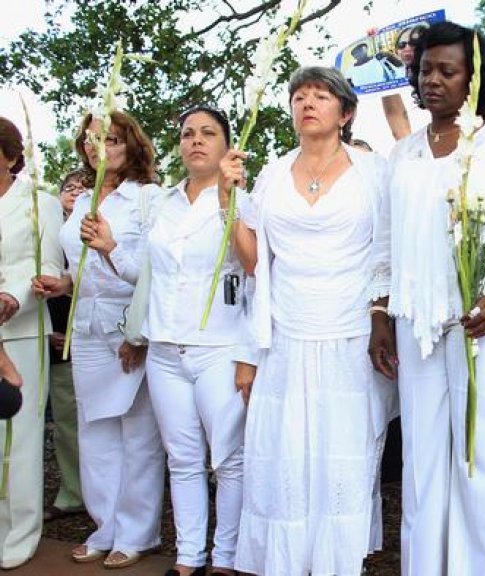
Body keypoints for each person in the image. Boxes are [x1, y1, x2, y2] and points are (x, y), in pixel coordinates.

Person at [367, 21, 485, 576]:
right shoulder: (402, 153)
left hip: (484, 319)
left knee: (480, 454)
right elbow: (385, 240)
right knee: (421, 456)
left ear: (475, 78)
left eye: (448, 70)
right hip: (414, 317)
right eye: (425, 70)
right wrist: (380, 312)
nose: (434, 80)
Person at [220, 66, 396, 576]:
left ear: (345, 113)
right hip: (285, 335)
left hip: (349, 332)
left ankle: (339, 563)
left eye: (321, 96)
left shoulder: (373, 171)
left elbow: (387, 251)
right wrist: (228, 199)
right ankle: (285, 563)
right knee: (285, 456)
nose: (308, 103)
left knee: (344, 455)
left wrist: (381, 315)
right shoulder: (273, 173)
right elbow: (255, 261)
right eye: (299, 96)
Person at [32, 110, 166, 569]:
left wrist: (111, 248)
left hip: (128, 327)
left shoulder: (147, 198)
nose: (98, 146)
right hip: (85, 326)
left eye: (110, 138)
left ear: (131, 145)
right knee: (95, 433)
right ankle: (105, 526)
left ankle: (138, 533)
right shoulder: (84, 199)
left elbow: (151, 274)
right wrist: (63, 284)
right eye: (91, 139)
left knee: (138, 434)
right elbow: (80, 268)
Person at [137, 105, 245, 576]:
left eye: (207, 133)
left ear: (225, 144)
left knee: (228, 460)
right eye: (186, 134)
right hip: (163, 348)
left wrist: (251, 354)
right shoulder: (163, 203)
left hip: (219, 347)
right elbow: (145, 274)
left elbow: (256, 271)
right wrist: (105, 251)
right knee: (181, 459)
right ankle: (187, 558)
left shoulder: (241, 199)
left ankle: (225, 558)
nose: (195, 141)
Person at [0, 116, 63, 570]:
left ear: (9, 155)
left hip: (20, 330)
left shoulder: (39, 203)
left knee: (18, 437)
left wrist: (13, 296)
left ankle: (19, 534)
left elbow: (49, 265)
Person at [43, 169, 88, 524]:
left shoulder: (97, 227)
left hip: (93, 336)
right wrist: (48, 332)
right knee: (67, 423)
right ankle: (73, 490)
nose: (74, 191)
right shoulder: (48, 236)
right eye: (68, 187)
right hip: (56, 343)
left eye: (81, 187)